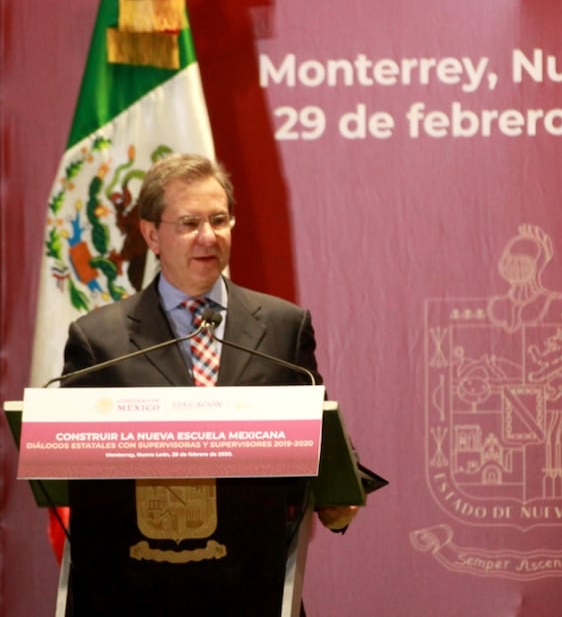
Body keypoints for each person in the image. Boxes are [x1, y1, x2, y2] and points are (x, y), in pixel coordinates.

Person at [59, 152, 355, 614]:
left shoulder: (281, 326)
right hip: (136, 586)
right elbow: (70, 462)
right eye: (189, 222)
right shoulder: (99, 339)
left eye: (219, 220)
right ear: (151, 233)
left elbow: (320, 432)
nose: (208, 236)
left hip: (250, 584)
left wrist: (342, 489)